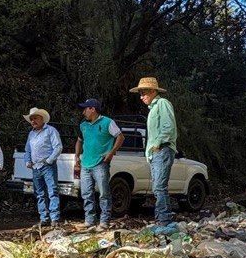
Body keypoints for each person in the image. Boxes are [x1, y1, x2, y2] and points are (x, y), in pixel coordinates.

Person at [129, 76, 178, 230]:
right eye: (140, 94)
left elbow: (168, 127)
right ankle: (162, 219)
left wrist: (157, 145)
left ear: (152, 91)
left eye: (143, 93)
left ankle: (164, 220)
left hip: (162, 149)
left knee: (159, 187)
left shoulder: (162, 103)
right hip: (157, 151)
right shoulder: (154, 108)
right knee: (158, 187)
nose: (141, 97)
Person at [72, 99, 123, 230]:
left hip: (100, 163)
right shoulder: (83, 125)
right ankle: (89, 220)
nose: (83, 112)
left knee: (104, 193)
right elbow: (79, 141)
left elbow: (120, 137)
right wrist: (77, 156)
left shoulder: (108, 122)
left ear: (93, 109)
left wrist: (111, 153)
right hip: (86, 164)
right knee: (86, 193)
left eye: (85, 109)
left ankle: (104, 221)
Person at [23, 107, 62, 226]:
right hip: (35, 167)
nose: (33, 121)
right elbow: (27, 150)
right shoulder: (31, 134)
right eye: (31, 119)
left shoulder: (51, 130)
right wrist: (27, 161)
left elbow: (58, 147)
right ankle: (44, 218)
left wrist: (49, 161)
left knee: (52, 191)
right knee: (39, 194)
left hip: (47, 166)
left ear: (42, 118)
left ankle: (54, 219)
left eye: (35, 118)